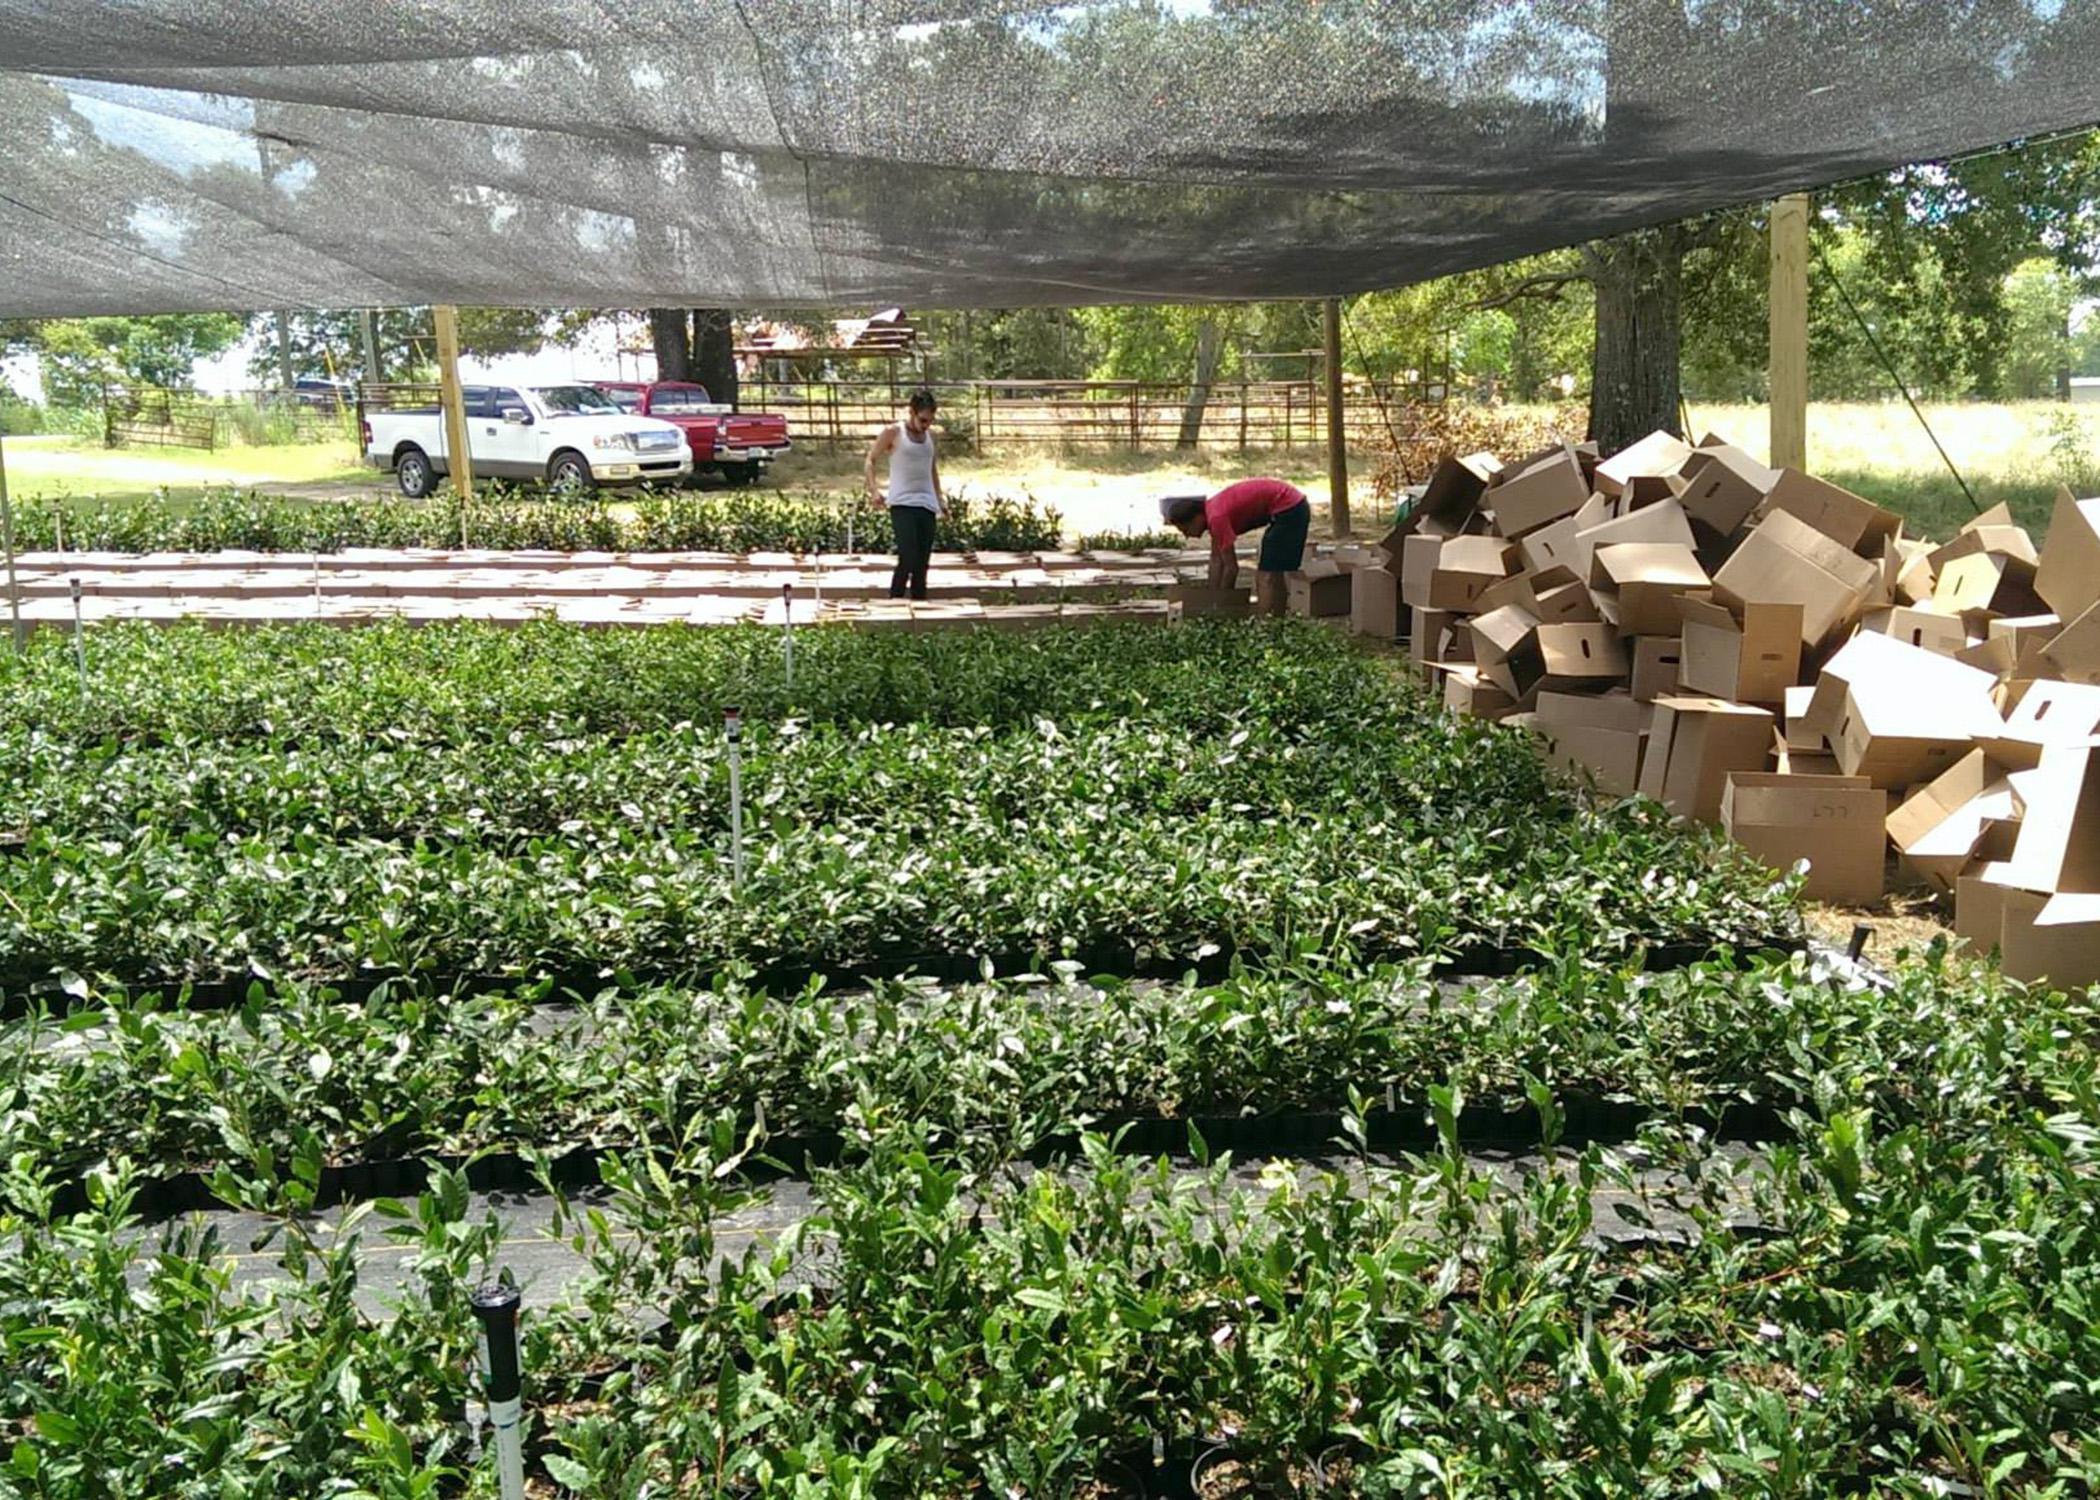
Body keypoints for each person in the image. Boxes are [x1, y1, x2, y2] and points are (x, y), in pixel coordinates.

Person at [1160, 477, 1310, 616]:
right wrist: (1211, 597)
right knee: (1273, 571)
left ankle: (1267, 623)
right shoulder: (1212, 511)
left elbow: (1232, 568)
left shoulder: (1216, 518)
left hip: (1289, 508)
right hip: (1290, 506)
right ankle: (1276, 617)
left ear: (1196, 518)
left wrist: (1222, 604)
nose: (1187, 536)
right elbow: (1216, 560)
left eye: (1186, 530)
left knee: (1266, 575)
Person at [864, 389, 945, 600]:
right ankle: (895, 601)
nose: (926, 425)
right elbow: (870, 460)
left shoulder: (929, 437)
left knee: (922, 562)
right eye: (923, 419)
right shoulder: (893, 432)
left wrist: (940, 499)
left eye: (930, 421)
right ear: (911, 411)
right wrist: (874, 490)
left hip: (926, 503)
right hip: (902, 503)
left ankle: (920, 608)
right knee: (908, 556)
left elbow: (932, 468)